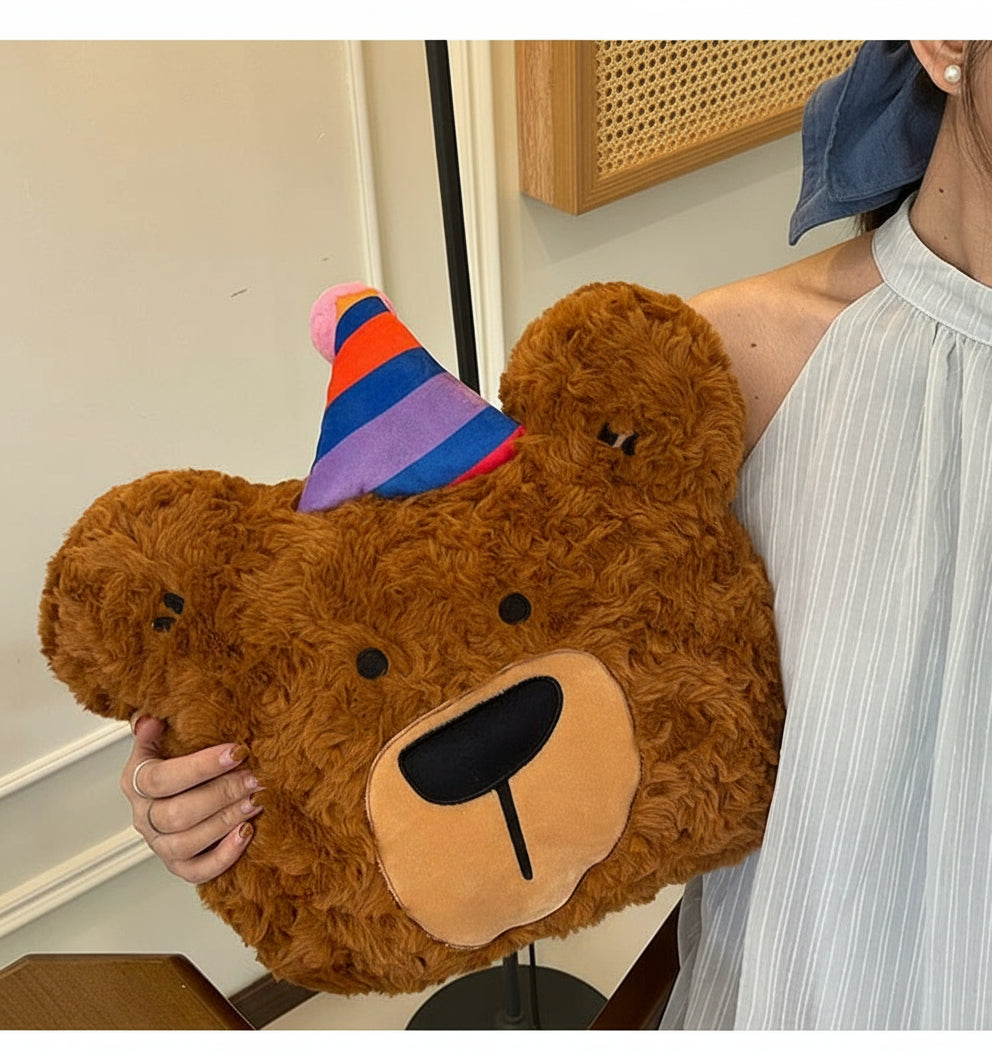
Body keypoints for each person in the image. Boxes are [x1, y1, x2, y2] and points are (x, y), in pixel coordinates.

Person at [121, 40, 992, 1028]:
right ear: (946, 38)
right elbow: (427, 642)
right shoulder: (724, 373)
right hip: (810, 990)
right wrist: (217, 779)